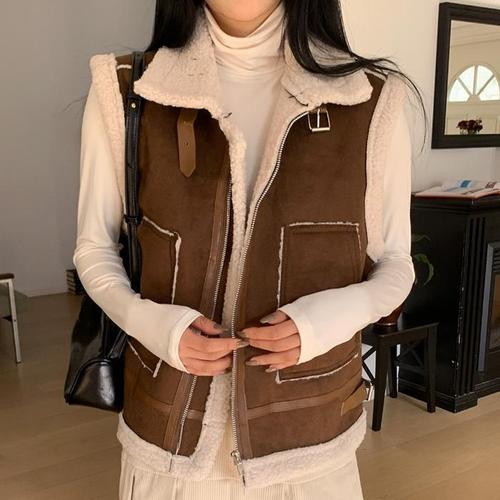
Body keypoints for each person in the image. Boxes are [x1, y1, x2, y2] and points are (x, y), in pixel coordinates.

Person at [74, 0, 425, 498]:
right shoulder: (128, 89)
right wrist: (155, 325)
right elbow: (94, 248)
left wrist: (327, 320)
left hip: (311, 442)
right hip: (168, 443)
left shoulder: (372, 99)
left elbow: (395, 264)